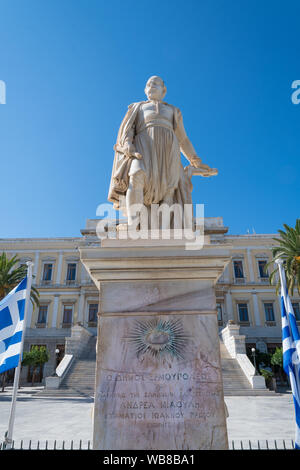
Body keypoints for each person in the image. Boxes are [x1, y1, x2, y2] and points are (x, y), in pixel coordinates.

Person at [108, 76, 214, 225]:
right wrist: (128, 145)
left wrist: (196, 161)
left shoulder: (172, 110)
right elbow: (128, 130)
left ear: (163, 90)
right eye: (148, 84)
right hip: (143, 147)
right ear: (145, 90)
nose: (151, 85)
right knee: (136, 175)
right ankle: (133, 223)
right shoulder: (138, 107)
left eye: (155, 83)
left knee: (169, 189)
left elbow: (183, 139)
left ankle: (165, 227)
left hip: (168, 150)